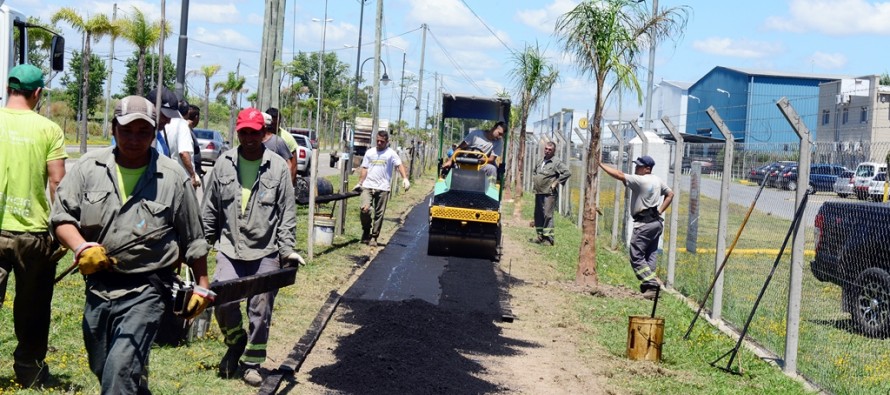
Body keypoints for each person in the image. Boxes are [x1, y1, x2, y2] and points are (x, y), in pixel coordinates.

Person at [50, 96, 212, 393]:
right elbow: (61, 218)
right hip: (99, 288)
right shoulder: (89, 168)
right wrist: (81, 247)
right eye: (126, 131)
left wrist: (202, 285)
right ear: (113, 129)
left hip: (147, 288)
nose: (134, 139)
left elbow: (193, 237)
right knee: (103, 365)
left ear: (155, 133)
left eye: (143, 132)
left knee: (120, 370)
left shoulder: (172, 177)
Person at [201, 107, 302, 386]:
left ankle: (251, 363)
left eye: (254, 133)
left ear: (263, 133)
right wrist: (201, 245)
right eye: (243, 132)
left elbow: (286, 213)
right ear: (238, 133)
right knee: (222, 300)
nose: (249, 138)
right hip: (230, 248)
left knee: (261, 308)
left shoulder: (277, 167)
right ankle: (236, 342)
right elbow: (210, 209)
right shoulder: (224, 164)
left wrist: (286, 251)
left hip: (265, 250)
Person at [0, 64, 67, 388]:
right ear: (37, 93)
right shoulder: (49, 129)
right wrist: (64, 229)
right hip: (33, 235)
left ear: (8, 88)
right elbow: (57, 183)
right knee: (34, 308)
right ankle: (29, 370)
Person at [599, 155, 674, 300]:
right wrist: (660, 210)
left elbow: (619, 175)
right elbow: (670, 194)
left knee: (636, 256)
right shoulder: (657, 180)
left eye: (639, 166)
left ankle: (652, 284)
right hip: (656, 223)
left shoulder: (641, 180)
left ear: (647, 169)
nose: (636, 168)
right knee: (650, 255)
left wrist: (601, 164)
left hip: (643, 224)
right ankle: (649, 288)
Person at [354, 130, 410, 247]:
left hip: (383, 187)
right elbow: (364, 168)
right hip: (368, 185)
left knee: (379, 213)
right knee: (365, 209)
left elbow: (399, 165)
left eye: (382, 141)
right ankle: (366, 230)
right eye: (378, 141)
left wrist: (405, 178)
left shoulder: (391, 153)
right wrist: (360, 182)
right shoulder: (370, 152)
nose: (379, 143)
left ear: (387, 141)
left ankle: (374, 236)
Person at [148, 87, 201, 189]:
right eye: (165, 115)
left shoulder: (159, 136)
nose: (168, 121)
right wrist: (192, 175)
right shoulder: (134, 137)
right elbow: (183, 153)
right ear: (152, 109)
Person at [531, 141, 572, 246]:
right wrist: (536, 179)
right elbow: (535, 171)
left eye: (550, 149)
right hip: (539, 191)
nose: (547, 151)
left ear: (554, 151)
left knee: (547, 215)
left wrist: (556, 182)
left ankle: (548, 239)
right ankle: (540, 236)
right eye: (546, 149)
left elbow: (567, 172)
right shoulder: (541, 161)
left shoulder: (556, 162)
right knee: (538, 214)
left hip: (549, 193)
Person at [265, 107, 298, 182]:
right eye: (271, 123)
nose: (273, 126)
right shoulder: (259, 136)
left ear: (279, 121)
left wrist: (291, 182)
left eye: (275, 123)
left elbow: (293, 164)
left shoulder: (287, 138)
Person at [184, 104, 203, 177]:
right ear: (196, 117)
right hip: (189, 175)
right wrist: (192, 174)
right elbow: (184, 153)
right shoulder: (186, 130)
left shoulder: (189, 129)